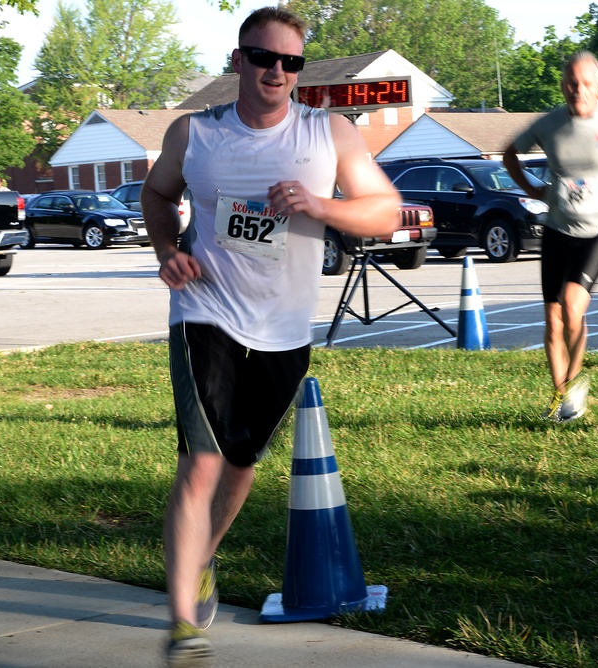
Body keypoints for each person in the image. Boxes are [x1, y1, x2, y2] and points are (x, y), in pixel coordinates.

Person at [140, 7, 400, 666]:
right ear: (238, 61)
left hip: (284, 328)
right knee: (201, 459)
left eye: (291, 62)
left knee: (241, 464)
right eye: (264, 58)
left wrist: (321, 206)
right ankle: (182, 628)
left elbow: (385, 211)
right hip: (206, 312)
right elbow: (157, 194)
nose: (276, 72)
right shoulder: (195, 134)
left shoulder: (326, 134)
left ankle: (200, 562)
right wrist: (167, 248)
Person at [502, 51, 598, 423]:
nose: (578, 90)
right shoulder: (550, 124)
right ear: (563, 85)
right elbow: (509, 154)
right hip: (557, 228)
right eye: (571, 83)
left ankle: (574, 388)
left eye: (586, 84)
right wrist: (534, 188)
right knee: (553, 320)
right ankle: (559, 398)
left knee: (573, 307)